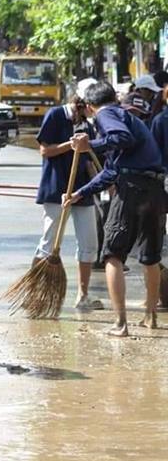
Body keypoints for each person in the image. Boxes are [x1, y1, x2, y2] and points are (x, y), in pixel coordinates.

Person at [65, 81, 165, 336]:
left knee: (112, 255)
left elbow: (121, 138)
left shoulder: (107, 115)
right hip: (154, 190)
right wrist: (80, 192)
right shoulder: (128, 117)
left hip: (132, 189)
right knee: (150, 257)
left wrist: (91, 145)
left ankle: (120, 324)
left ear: (89, 106)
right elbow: (111, 170)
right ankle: (150, 317)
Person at [34, 79, 102, 312]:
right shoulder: (55, 115)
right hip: (56, 189)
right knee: (49, 241)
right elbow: (45, 150)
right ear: (78, 102)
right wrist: (70, 145)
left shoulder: (88, 124)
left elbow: (89, 161)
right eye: (85, 106)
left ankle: (83, 295)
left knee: (89, 243)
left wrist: (101, 183)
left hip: (82, 190)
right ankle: (38, 290)